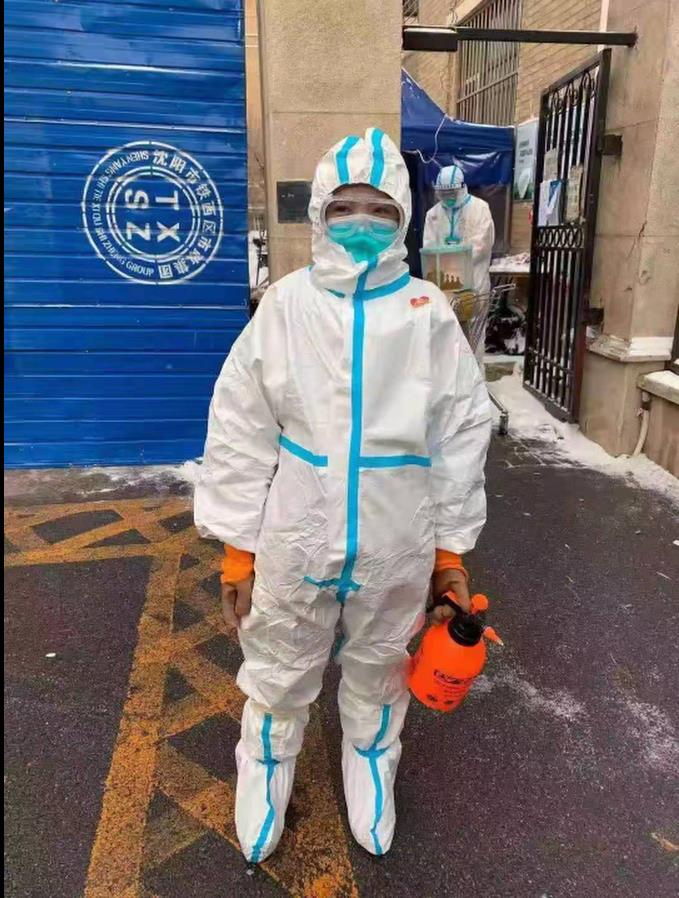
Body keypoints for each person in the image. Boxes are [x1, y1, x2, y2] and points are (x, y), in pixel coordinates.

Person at [194, 128, 491, 863]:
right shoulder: (288, 305)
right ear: (320, 212)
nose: (362, 223)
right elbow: (240, 426)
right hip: (299, 527)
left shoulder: (426, 311)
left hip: (398, 533)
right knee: (279, 658)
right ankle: (266, 763)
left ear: (403, 218)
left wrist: (449, 555)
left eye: (380, 210)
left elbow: (460, 435)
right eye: (345, 208)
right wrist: (238, 550)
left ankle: (371, 760)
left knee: (383, 661)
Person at [423, 164, 495, 299]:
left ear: (462, 188)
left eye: (452, 193)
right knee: (445, 310)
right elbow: (429, 250)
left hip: (474, 280)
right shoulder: (433, 214)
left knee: (474, 311)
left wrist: (452, 262)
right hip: (444, 283)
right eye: (443, 193)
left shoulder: (480, 208)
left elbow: (481, 246)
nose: (448, 197)